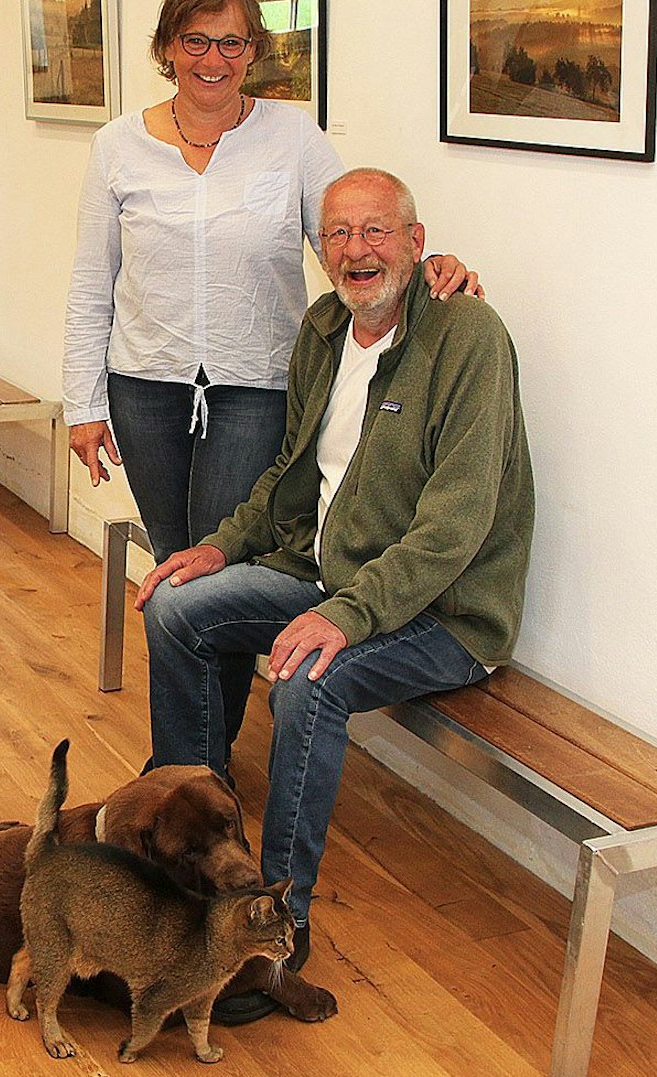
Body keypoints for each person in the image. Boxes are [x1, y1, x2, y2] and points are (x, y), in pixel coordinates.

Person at [134, 168, 534, 1021]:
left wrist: (341, 615)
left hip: (441, 612)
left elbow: (453, 528)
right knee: (175, 608)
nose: (357, 250)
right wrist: (219, 546)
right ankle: (199, 849)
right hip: (326, 577)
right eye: (340, 234)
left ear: (417, 243)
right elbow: (289, 470)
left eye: (378, 231)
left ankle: (272, 924)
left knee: (309, 681)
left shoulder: (470, 339)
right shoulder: (324, 328)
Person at [62, 0, 480, 718]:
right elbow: (92, 282)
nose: (214, 59)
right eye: (197, 40)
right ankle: (192, 769)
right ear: (167, 46)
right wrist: (83, 403)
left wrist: (431, 264)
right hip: (144, 387)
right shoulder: (117, 146)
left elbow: (352, 239)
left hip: (255, 389)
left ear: (252, 50)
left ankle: (201, 761)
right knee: (174, 566)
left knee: (219, 573)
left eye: (232, 42)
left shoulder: (292, 135)